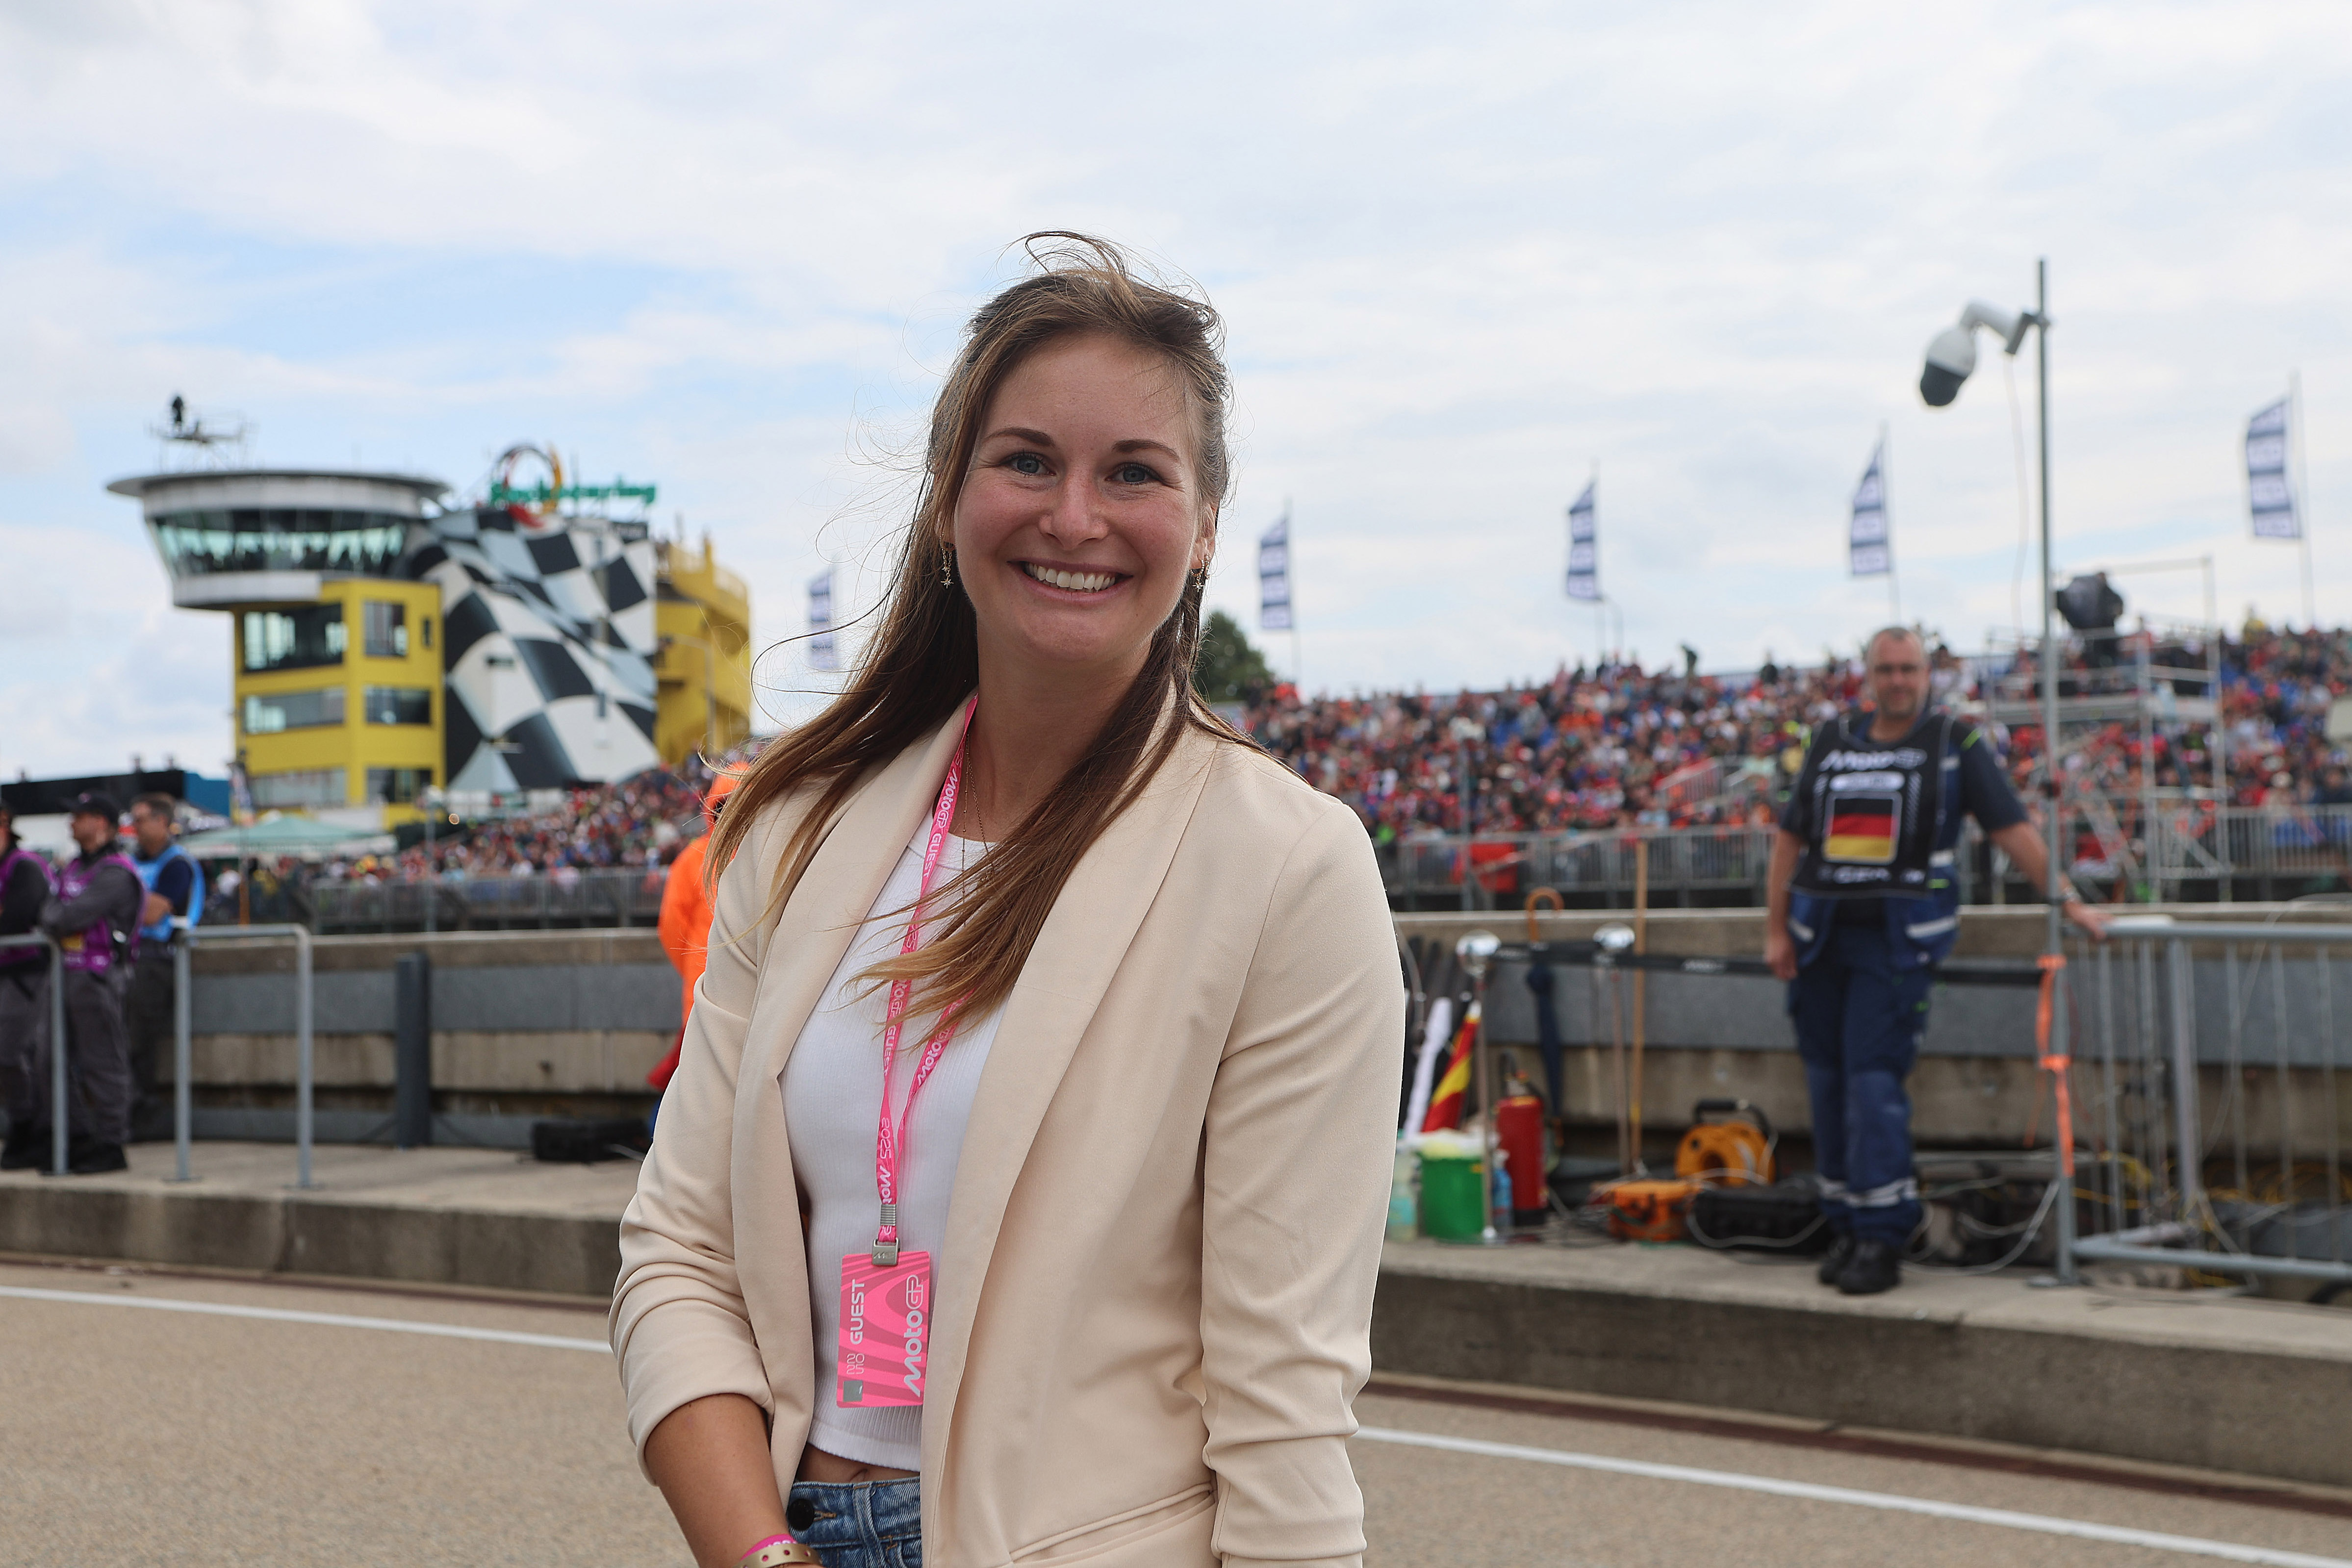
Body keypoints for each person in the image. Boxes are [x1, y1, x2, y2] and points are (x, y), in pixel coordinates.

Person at [611, 236, 1400, 1568]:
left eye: (1134, 471)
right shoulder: (798, 830)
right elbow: (679, 1248)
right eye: (1027, 459)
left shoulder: (1286, 865)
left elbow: (1283, 1396)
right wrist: (759, 1551)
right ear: (946, 499)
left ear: (1205, 524)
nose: (1074, 516)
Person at [1766, 628, 2107, 1296]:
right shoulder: (1830, 739)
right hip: (1819, 939)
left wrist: (2069, 903)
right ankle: (1843, 1221)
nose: (1898, 681)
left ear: (1928, 675)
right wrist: (1776, 930)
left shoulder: (1956, 743)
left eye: (1909, 669)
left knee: (1873, 1086)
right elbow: (1789, 839)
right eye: (1886, 669)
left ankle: (1881, 1233)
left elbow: (2011, 828)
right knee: (1827, 1085)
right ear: (1868, 676)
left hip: (1896, 944)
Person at [20, 793, 145, 1174]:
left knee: (102, 1061)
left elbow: (68, 916)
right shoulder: (73, 867)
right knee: (46, 1058)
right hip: (63, 973)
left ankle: (111, 1143)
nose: (71, 823)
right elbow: (48, 912)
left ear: (101, 823)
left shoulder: (116, 871)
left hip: (97, 976)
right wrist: (57, 917)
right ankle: (75, 1138)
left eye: (80, 816)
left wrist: (58, 917)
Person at [645, 773, 740, 1110]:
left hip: (702, 988)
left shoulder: (694, 857)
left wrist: (692, 967)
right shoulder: (766, 855)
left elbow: (671, 927)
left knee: (695, 1092)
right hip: (751, 994)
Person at [124, 793, 204, 1141]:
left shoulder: (177, 863)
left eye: (140, 820)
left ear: (161, 821)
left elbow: (153, 914)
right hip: (131, 955)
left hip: (159, 959)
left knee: (138, 1040)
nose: (134, 827)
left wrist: (116, 905)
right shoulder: (131, 861)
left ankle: (143, 1112)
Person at [0, 800, 59, 1169]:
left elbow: (17, 918)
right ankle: (24, 1127)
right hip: (9, 973)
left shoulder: (25, 865)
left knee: (14, 1055)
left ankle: (34, 1130)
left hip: (27, 975)